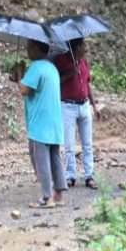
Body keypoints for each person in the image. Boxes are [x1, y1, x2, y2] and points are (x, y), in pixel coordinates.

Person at [16, 39, 66, 208]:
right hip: (54, 122)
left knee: (41, 160)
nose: (27, 50)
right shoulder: (52, 68)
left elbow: (24, 90)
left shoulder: (35, 67)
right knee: (55, 157)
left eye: (29, 47)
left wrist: (19, 76)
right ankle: (58, 194)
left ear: (37, 49)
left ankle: (46, 197)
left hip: (40, 124)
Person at [53, 38, 97, 189]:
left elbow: (87, 84)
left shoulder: (84, 62)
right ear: (76, 47)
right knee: (69, 144)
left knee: (88, 143)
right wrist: (70, 73)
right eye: (83, 45)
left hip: (84, 104)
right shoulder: (61, 61)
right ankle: (70, 175)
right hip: (67, 106)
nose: (85, 48)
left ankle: (89, 175)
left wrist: (93, 105)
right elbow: (55, 81)